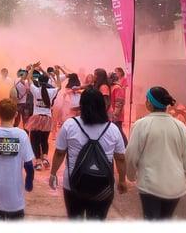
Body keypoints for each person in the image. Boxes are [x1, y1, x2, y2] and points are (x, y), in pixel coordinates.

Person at [49, 88, 127, 220]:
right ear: (103, 105)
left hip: (73, 185)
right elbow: (120, 158)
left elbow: (59, 153)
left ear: (82, 105)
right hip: (103, 187)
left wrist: (53, 173)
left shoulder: (70, 125)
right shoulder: (112, 128)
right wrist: (122, 180)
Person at [125, 86, 186, 220]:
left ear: (149, 103)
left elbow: (131, 156)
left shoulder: (141, 125)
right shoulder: (180, 126)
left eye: (146, 99)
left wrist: (130, 175)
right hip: (175, 188)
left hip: (150, 187)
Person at [0, 99, 35, 220]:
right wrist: (29, 183)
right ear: (16, 115)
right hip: (15, 190)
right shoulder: (22, 135)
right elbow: (29, 165)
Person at [25, 63, 60, 170]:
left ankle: (38, 162)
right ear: (47, 81)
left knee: (34, 141)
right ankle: (45, 158)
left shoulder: (36, 90)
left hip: (36, 118)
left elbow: (29, 79)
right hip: (47, 119)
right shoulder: (51, 91)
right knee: (44, 140)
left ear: (39, 82)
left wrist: (31, 69)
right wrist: (58, 75)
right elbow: (59, 86)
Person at [109, 72, 128, 146]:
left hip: (116, 115)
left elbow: (119, 102)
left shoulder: (117, 88)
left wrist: (115, 114)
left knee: (118, 130)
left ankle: (125, 145)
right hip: (112, 114)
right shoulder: (112, 87)